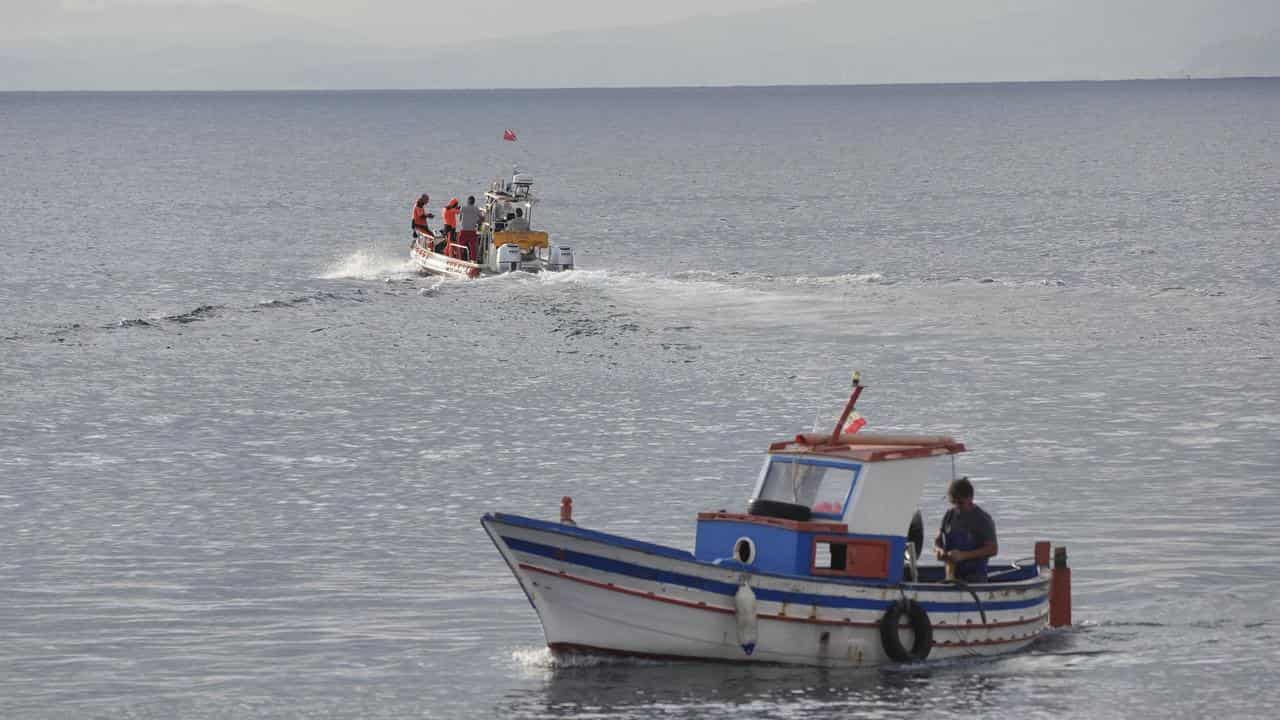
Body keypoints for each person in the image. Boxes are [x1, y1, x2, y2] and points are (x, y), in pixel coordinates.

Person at [933, 477, 997, 582]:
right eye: (953, 502)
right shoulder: (949, 515)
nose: (957, 507)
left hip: (975, 579)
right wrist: (938, 550)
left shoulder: (983, 519)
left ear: (971, 498)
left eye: (960, 503)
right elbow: (938, 540)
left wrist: (963, 555)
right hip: (951, 576)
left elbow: (993, 549)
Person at [457, 195, 483, 264]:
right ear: (474, 202)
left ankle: (460, 260)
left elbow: (459, 218)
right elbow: (481, 218)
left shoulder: (463, 208)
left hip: (463, 231)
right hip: (472, 231)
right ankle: (473, 261)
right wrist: (477, 221)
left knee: (460, 246)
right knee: (473, 248)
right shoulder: (476, 209)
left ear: (468, 201)